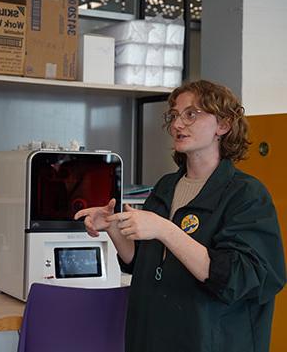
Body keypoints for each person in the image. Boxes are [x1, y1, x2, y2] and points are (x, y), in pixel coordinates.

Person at [75, 80, 285, 352]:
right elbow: (143, 262)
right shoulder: (165, 186)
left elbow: (239, 278)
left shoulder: (246, 194)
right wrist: (113, 228)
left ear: (223, 125)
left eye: (191, 114)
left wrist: (164, 229)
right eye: (174, 115)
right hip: (152, 337)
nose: (177, 124)